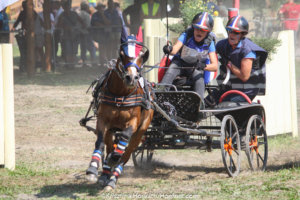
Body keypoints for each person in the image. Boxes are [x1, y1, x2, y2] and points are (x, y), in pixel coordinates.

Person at [205, 15, 268, 106]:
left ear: (242, 34)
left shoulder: (247, 50)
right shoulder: (222, 44)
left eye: (236, 32)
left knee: (224, 105)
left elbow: (244, 77)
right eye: (230, 31)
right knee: (204, 104)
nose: (232, 34)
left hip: (246, 90)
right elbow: (209, 54)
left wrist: (229, 64)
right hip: (227, 87)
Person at [160, 12, 218, 102]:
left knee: (200, 80)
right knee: (169, 72)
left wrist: (203, 66)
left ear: (208, 32)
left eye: (203, 30)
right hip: (180, 63)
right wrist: (168, 49)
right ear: (193, 28)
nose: (199, 32)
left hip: (195, 67)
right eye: (197, 28)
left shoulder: (210, 43)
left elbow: (215, 66)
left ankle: (199, 105)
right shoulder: (186, 35)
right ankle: (160, 98)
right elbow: (175, 50)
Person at [78, 2, 96, 66]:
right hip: (86, 33)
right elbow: (88, 25)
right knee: (91, 48)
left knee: (83, 48)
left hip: (81, 33)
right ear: (86, 7)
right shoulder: (86, 14)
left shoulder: (79, 14)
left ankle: (84, 62)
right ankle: (93, 61)